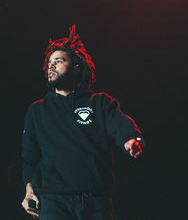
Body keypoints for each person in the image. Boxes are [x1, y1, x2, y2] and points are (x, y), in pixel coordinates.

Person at [21, 25, 144, 220]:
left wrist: (129, 138)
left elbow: (119, 123)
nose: (51, 66)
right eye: (49, 63)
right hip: (53, 202)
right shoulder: (37, 110)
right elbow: (29, 156)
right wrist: (28, 190)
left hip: (95, 202)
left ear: (76, 67)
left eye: (58, 61)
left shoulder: (98, 102)